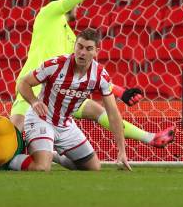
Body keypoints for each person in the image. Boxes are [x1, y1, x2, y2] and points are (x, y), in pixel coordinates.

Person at [10, 0, 174, 150]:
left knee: (96, 110)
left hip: (59, 93)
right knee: (13, 132)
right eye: (72, 0)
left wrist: (121, 92)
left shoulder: (73, 39)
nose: (77, 4)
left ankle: (151, 138)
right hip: (33, 87)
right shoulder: (48, 13)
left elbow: (88, 72)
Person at [9, 29, 130, 172]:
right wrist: (34, 102)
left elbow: (113, 113)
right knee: (42, 168)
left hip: (65, 124)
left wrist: (122, 150)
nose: (82, 52)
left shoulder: (100, 76)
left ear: (96, 51)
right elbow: (23, 82)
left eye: (88, 48)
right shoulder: (56, 64)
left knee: (93, 168)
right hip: (41, 119)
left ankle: (52, 155)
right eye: (80, 47)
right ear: (75, 46)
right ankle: (8, 161)